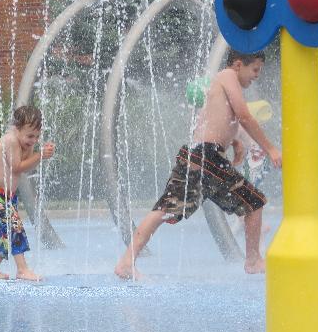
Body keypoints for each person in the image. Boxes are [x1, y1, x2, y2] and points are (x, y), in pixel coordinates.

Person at [114, 49, 282, 279]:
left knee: (165, 209)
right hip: (207, 157)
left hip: (196, 155)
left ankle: (126, 262)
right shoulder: (227, 76)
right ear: (238, 65)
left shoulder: (220, 83)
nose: (257, 75)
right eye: (255, 69)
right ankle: (253, 261)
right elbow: (243, 115)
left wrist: (234, 140)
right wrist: (270, 148)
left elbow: (214, 119)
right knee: (253, 203)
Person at [0, 105, 55, 281]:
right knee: (15, 228)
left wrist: (40, 154)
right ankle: (22, 270)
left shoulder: (24, 142)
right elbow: (17, 167)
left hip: (7, 195)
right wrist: (39, 155)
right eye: (30, 136)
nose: (33, 140)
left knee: (5, 234)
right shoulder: (11, 141)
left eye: (37, 136)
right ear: (16, 128)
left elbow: (25, 166)